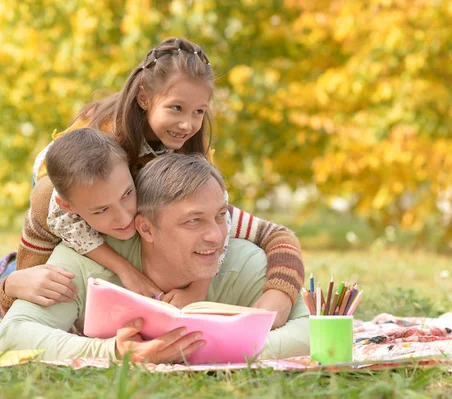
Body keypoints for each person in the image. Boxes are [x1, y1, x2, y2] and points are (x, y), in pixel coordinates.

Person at [1, 37, 303, 327]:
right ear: (144, 97)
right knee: (31, 288)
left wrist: (265, 297)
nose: (188, 124)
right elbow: (49, 207)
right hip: (54, 218)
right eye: (176, 108)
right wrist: (15, 285)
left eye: (199, 111)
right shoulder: (101, 154)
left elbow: (276, 236)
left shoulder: (178, 172)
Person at [0, 151, 310, 362]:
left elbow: (314, 331)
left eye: (219, 217)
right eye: (193, 221)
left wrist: (216, 350)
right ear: (145, 228)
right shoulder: (81, 256)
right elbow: (12, 334)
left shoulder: (243, 257)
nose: (217, 236)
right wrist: (113, 352)